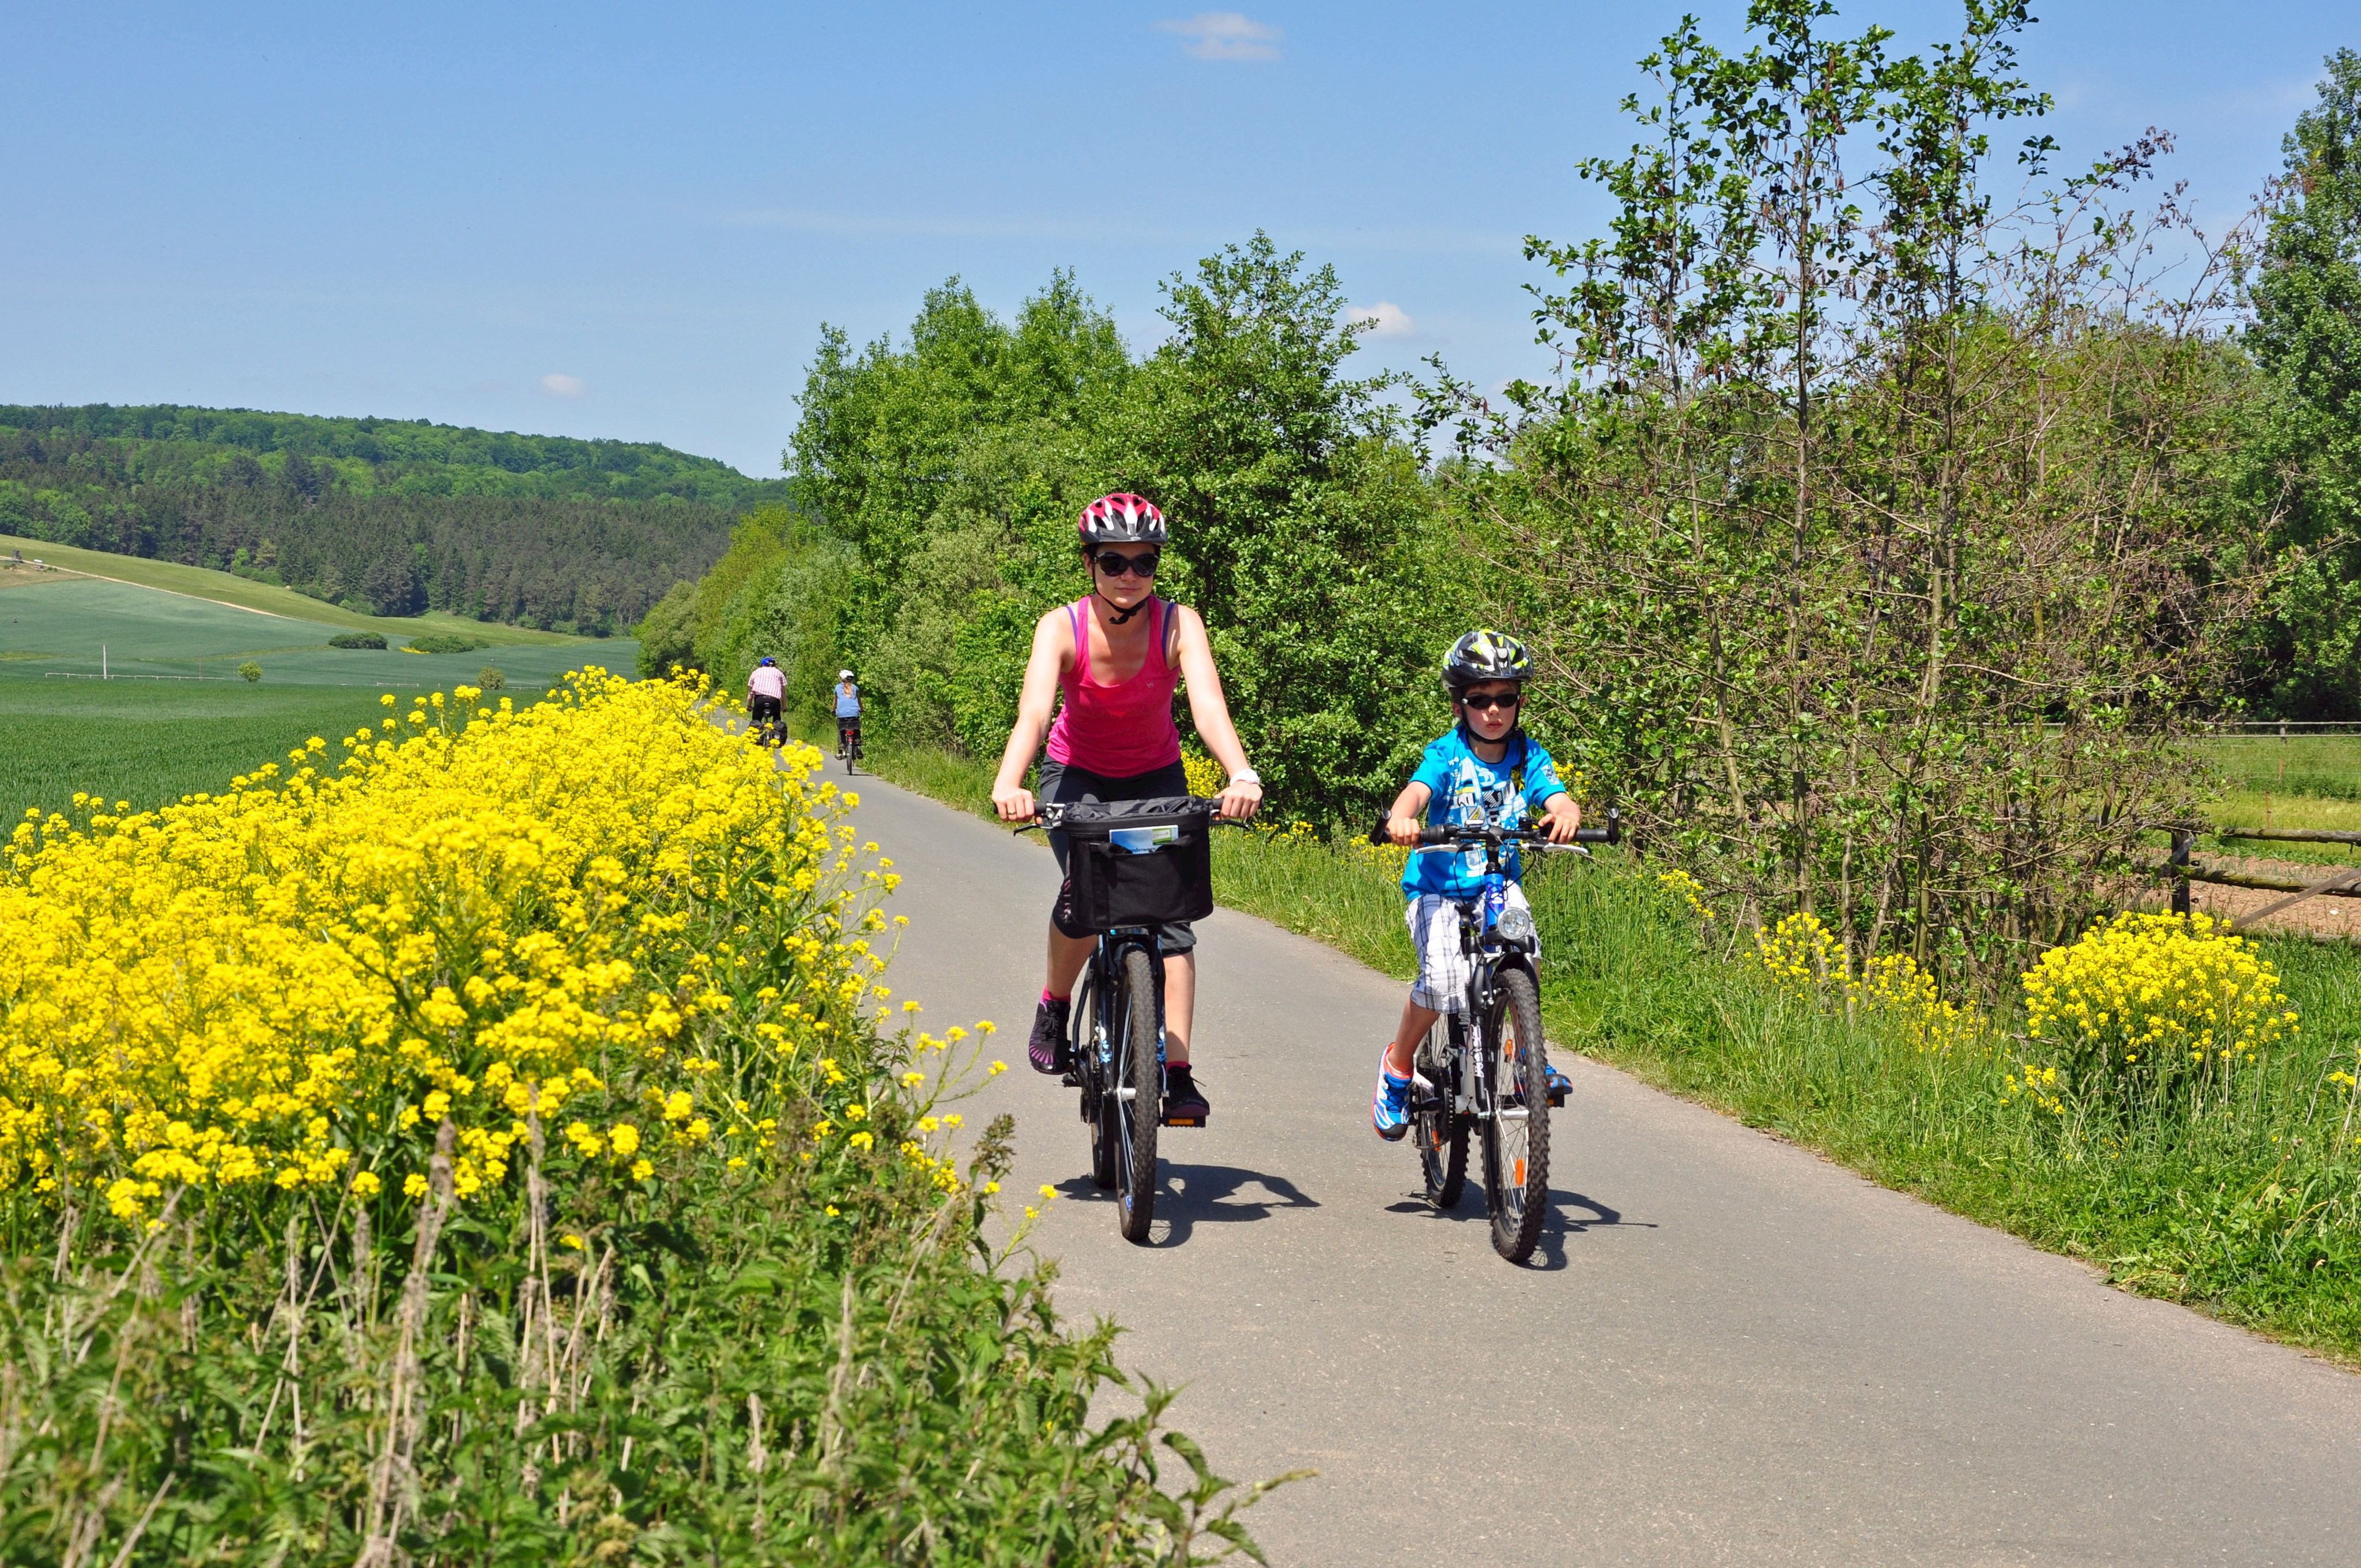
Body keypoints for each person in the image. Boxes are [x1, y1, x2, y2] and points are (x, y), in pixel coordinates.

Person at [991, 492, 1263, 1124]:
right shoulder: (1061, 626)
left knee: (1171, 922)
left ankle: (1177, 1067)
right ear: (1089, 563)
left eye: (1144, 563)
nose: (1129, 575)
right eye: (1114, 561)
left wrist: (1239, 770)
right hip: (1075, 775)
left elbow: (1208, 706)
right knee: (1083, 901)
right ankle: (1055, 1004)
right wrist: (1011, 780)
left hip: (1155, 774)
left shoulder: (1178, 623)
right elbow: (1033, 712)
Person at [1373, 630, 1581, 1140]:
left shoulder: (1528, 756)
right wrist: (1402, 819)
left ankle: (1530, 1063)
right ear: (1459, 703)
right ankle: (1398, 1068)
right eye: (1480, 699)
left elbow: (1555, 797)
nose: (1494, 711)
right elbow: (1416, 793)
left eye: (1506, 699)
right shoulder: (1446, 754)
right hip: (1437, 888)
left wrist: (1567, 813)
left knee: (1523, 951)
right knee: (1443, 981)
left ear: (1519, 702)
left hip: (1496, 883)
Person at [746, 656, 786, 737]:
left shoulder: (756, 672)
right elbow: (783, 694)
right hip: (774, 701)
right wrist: (784, 707)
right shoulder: (779, 673)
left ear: (762, 665)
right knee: (777, 720)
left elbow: (751, 693)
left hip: (759, 700)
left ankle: (756, 737)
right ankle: (776, 737)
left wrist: (749, 705)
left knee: (756, 720)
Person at [833, 669, 861, 756]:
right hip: (854, 713)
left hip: (842, 714)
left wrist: (833, 710)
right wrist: (862, 709)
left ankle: (840, 751)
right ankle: (858, 745)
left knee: (841, 731)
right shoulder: (855, 688)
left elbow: (835, 702)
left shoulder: (838, 688)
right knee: (856, 729)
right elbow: (859, 701)